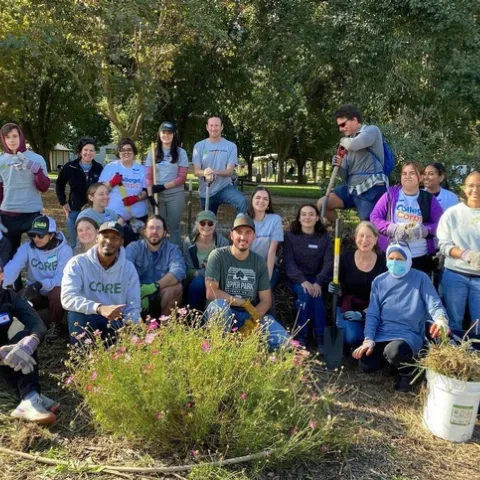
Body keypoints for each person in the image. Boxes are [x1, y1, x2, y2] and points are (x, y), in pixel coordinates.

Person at [352, 243, 449, 393]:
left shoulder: (420, 278)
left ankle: (406, 373)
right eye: (391, 258)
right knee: (366, 365)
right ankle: (394, 362)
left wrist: (441, 319)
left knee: (395, 351)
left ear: (409, 260)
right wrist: (368, 339)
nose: (395, 262)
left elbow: (434, 303)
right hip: (383, 333)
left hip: (408, 334)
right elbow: (373, 313)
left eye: (400, 258)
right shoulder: (379, 281)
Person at [205, 214, 290, 350]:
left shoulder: (259, 262)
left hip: (250, 315)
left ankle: (251, 350)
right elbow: (211, 292)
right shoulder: (218, 256)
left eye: (248, 233)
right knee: (220, 307)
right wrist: (242, 302)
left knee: (284, 341)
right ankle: (220, 348)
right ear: (231, 235)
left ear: (254, 237)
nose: (243, 237)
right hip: (224, 311)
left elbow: (266, 301)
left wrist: (251, 323)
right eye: (238, 232)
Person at [61, 222, 141, 344]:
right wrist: (99, 308)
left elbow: (133, 306)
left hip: (116, 321)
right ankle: (82, 358)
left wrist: (130, 329)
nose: (109, 241)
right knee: (75, 314)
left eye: (114, 238)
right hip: (88, 317)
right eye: (105, 236)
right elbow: (67, 298)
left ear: (121, 242)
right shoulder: (77, 263)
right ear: (97, 238)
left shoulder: (128, 268)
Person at [0, 262, 60, 424]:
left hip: (8, 354)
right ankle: (33, 397)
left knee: (24, 338)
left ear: (2, 275)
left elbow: (36, 322)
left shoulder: (8, 296)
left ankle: (30, 399)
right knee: (17, 357)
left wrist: (30, 342)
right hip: (3, 356)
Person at [317, 105, 387, 222]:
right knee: (323, 204)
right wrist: (338, 166)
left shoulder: (371, 130)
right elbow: (345, 175)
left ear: (354, 120)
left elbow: (354, 144)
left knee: (367, 223)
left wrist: (342, 142)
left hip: (370, 188)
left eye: (343, 124)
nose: (340, 129)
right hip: (352, 188)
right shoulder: (347, 141)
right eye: (339, 126)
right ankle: (340, 232)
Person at [370, 162, 442, 275]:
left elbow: (441, 224)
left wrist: (423, 230)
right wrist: (392, 229)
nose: (407, 176)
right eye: (404, 173)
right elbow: (374, 218)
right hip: (393, 256)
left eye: (412, 173)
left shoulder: (429, 199)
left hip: (420, 256)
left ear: (421, 177)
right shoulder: (390, 195)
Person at [2, 215, 72, 329]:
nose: (36, 238)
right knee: (16, 299)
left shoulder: (65, 251)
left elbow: (62, 278)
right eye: (33, 234)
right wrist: (2, 282)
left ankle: (55, 326)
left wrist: (40, 284)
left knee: (58, 293)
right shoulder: (27, 248)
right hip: (35, 292)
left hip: (54, 293)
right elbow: (13, 268)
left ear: (52, 235)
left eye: (40, 235)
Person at [0, 123, 50, 276]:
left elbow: (44, 187)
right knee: (7, 259)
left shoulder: (37, 158)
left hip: (32, 214)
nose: (11, 140)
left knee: (40, 255)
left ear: (21, 137)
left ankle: (39, 289)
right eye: (7, 137)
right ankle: (12, 292)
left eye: (14, 136)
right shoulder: (1, 161)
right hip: (7, 216)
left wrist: (36, 170)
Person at [328, 222, 386, 349]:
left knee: (378, 337)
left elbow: (383, 297)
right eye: (361, 235)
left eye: (369, 236)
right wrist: (335, 289)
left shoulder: (383, 263)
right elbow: (339, 287)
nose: (364, 240)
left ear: (376, 239)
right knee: (353, 337)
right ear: (355, 237)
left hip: (372, 309)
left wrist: (363, 314)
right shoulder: (345, 257)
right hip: (348, 307)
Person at [283, 205, 333, 351]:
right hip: (297, 278)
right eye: (303, 214)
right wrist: (302, 280)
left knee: (317, 296)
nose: (307, 217)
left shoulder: (323, 238)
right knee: (304, 296)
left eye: (311, 214)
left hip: (317, 278)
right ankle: (302, 336)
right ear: (299, 218)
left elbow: (329, 262)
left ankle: (320, 337)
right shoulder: (290, 237)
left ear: (317, 218)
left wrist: (319, 282)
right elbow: (288, 262)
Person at [437, 171, 480, 332]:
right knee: (454, 322)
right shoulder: (452, 214)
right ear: (464, 188)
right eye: (471, 185)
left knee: (478, 325)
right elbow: (444, 245)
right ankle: (455, 354)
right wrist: (466, 254)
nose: (475, 189)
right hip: (455, 274)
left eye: (479, 186)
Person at [126, 215, 185, 318]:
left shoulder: (172, 249)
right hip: (136, 296)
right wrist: (138, 290)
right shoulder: (133, 247)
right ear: (145, 231)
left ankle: (165, 328)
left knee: (176, 288)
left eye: (158, 228)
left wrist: (154, 287)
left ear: (165, 233)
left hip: (160, 295)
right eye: (151, 228)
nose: (154, 231)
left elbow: (179, 271)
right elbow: (124, 270)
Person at [192, 115, 247, 215]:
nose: (214, 128)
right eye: (211, 125)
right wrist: (204, 172)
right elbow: (196, 171)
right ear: (207, 127)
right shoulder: (199, 146)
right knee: (208, 222)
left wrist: (214, 172)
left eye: (216, 125)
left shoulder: (231, 146)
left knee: (242, 202)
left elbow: (230, 171)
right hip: (207, 191)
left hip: (224, 187)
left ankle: (240, 229)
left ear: (222, 127)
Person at [145, 121, 188, 246]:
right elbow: (148, 176)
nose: (166, 135)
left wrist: (163, 186)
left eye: (169, 133)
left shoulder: (181, 153)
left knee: (173, 228)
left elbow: (181, 177)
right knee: (158, 228)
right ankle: (158, 255)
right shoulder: (153, 152)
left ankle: (174, 256)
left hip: (175, 195)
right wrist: (149, 194)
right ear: (159, 134)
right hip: (157, 196)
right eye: (164, 132)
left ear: (174, 135)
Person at [55, 137, 103, 248]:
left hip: (93, 210)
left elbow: (103, 187)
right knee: (74, 244)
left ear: (95, 152)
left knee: (92, 244)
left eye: (91, 150)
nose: (88, 153)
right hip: (74, 210)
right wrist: (63, 202)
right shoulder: (70, 166)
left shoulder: (98, 168)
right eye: (85, 150)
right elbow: (59, 184)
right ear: (80, 151)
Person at [99, 138, 148, 237]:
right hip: (115, 215)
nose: (126, 152)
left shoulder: (143, 169)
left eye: (129, 149)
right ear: (118, 152)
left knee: (134, 246)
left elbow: (147, 191)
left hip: (137, 216)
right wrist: (111, 183)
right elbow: (100, 190)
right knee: (114, 243)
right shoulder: (111, 167)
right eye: (123, 150)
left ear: (134, 152)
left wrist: (136, 198)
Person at [183, 210, 229, 310]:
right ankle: (192, 316)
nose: (206, 227)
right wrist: (205, 274)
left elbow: (224, 269)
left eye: (210, 223)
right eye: (202, 223)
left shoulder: (223, 243)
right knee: (197, 283)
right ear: (197, 224)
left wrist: (200, 273)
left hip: (217, 282)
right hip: (195, 282)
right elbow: (188, 270)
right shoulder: (188, 242)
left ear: (215, 225)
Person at [248, 186, 283, 289]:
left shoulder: (275, 219)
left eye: (265, 199)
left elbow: (272, 252)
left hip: (267, 265)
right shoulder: (243, 218)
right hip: (246, 265)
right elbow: (239, 249)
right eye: (258, 197)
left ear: (268, 204)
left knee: (263, 291)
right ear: (252, 200)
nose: (261, 201)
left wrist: (267, 278)